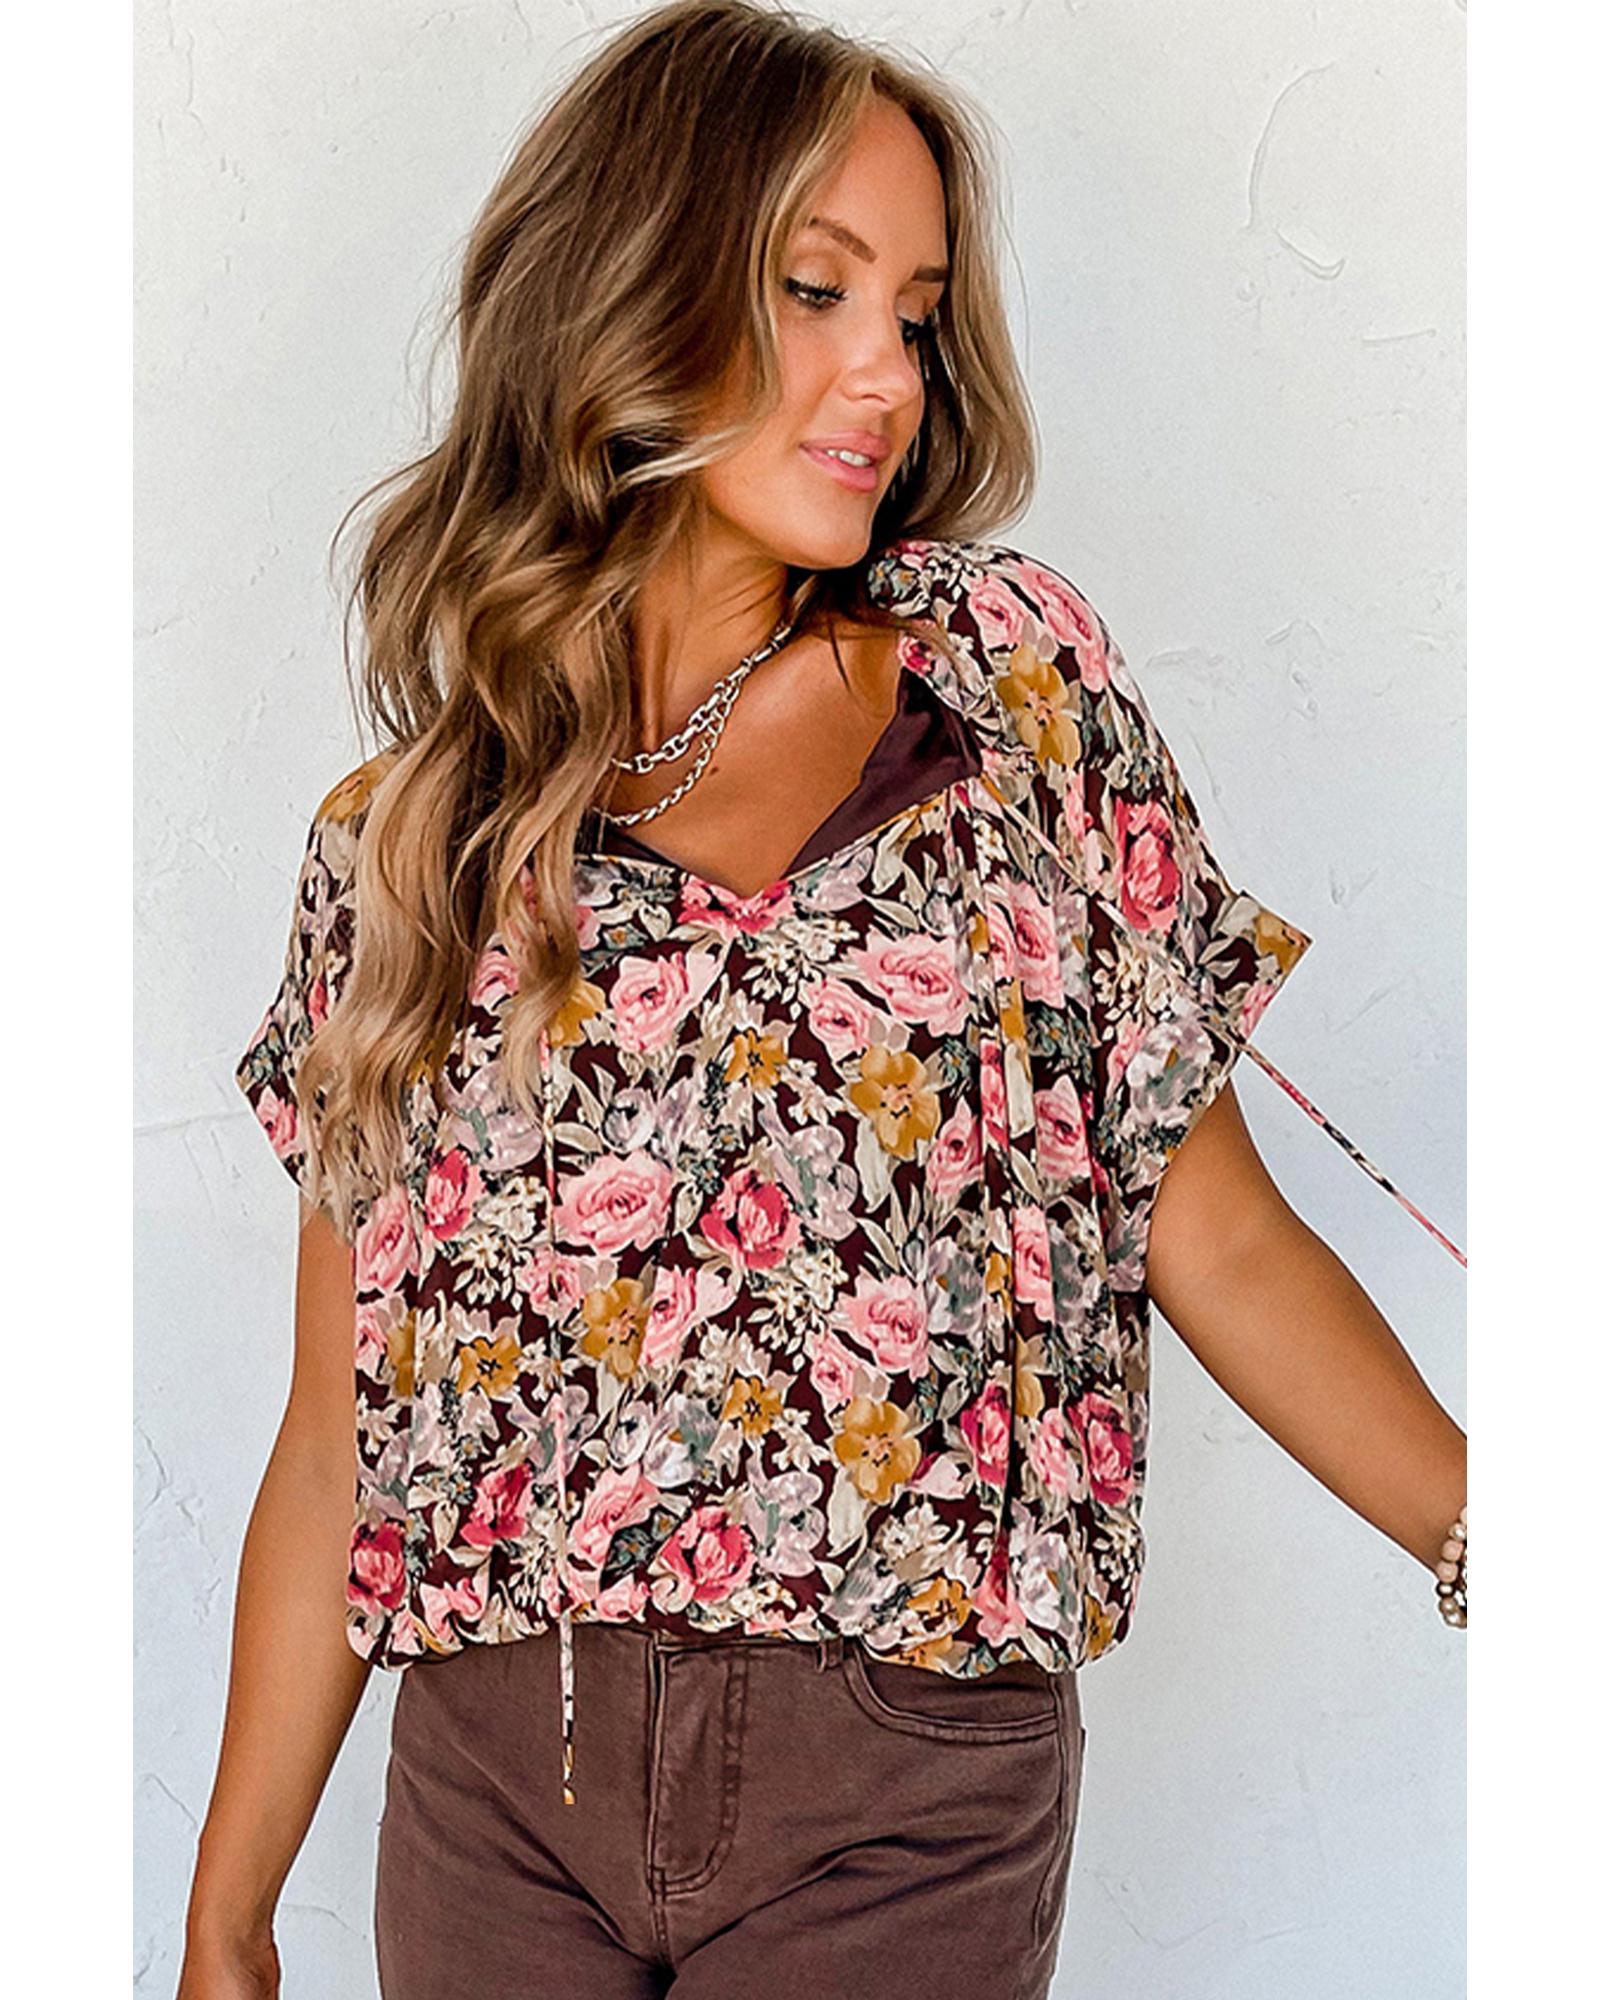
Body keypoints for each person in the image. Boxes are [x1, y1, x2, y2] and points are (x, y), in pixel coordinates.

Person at [178, 5, 1466, 1996]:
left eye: (918, 315)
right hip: (493, 1789)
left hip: (899, 1781)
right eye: (816, 290)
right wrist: (228, 1911)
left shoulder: (1002, 686)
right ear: (630, 291)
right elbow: (343, 1425)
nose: (888, 372)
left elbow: (1203, 1224)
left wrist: (1488, 1531)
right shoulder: (409, 842)